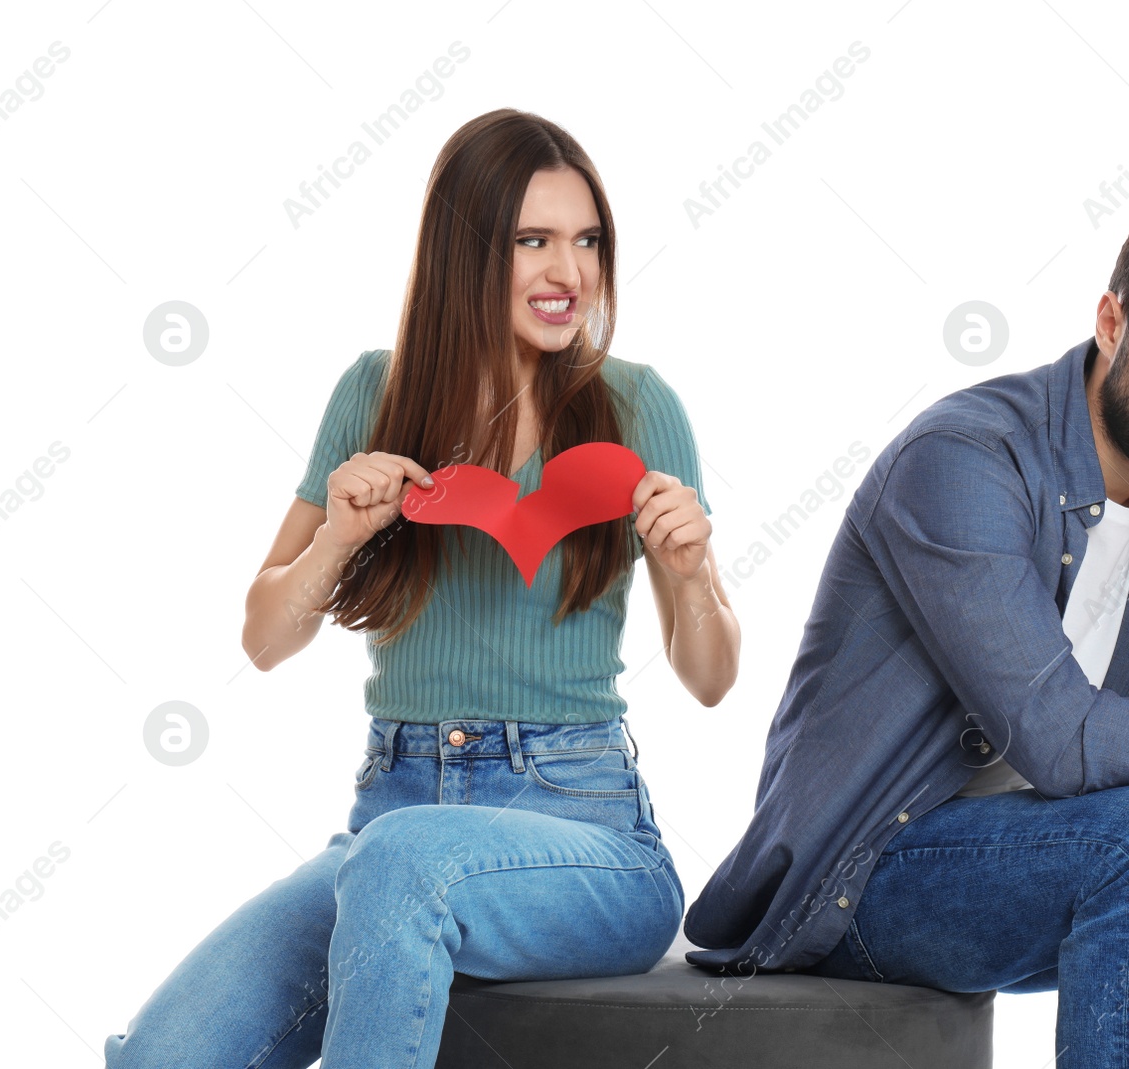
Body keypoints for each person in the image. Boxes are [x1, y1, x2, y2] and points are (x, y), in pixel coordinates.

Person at [682, 201, 1129, 1068]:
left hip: (1059, 856)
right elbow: (1065, 738)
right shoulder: (963, 457)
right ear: (1113, 321)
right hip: (862, 877)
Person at [103, 109, 739, 1068]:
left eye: (587, 241)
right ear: (466, 249)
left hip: (583, 831)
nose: (569, 272)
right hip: (390, 817)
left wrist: (693, 577)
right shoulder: (376, 394)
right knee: (164, 1056)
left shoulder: (636, 406)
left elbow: (711, 676)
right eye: (533, 241)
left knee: (404, 867)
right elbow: (264, 636)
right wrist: (340, 539)